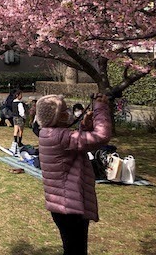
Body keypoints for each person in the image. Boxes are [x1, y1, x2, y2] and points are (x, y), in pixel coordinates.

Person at [36, 94, 111, 255]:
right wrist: (100, 109)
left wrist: (83, 127)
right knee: (76, 250)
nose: (69, 112)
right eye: (65, 109)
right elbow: (101, 137)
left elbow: (76, 145)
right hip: (69, 207)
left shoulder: (48, 132)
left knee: (73, 248)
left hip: (63, 204)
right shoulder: (61, 136)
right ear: (57, 116)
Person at [10, 90, 26, 155]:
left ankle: (15, 142)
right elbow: (21, 112)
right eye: (20, 95)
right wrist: (24, 117)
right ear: (17, 95)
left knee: (15, 130)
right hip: (19, 117)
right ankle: (19, 142)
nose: (21, 96)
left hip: (14, 117)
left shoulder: (13, 102)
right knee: (20, 130)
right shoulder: (19, 103)